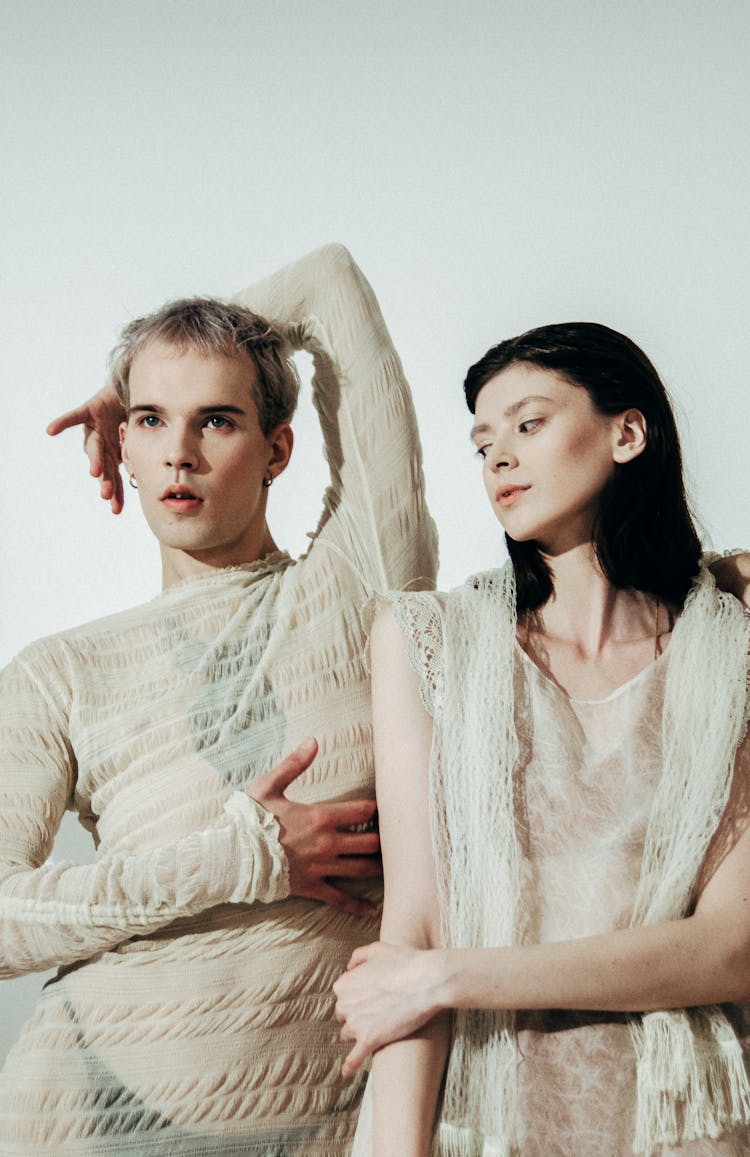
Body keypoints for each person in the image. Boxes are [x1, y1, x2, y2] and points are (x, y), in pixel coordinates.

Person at [0, 243, 438, 1155]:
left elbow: (330, 280)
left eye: (218, 421)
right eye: (151, 420)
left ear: (279, 447)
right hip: (80, 1104)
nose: (179, 454)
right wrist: (242, 858)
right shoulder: (58, 670)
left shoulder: (364, 581)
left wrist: (137, 375)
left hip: (321, 1115)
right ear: (123, 444)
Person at [333, 322, 750, 1156]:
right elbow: (413, 928)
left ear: (629, 432)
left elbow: (730, 949)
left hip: (683, 1123)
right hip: (486, 1116)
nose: (498, 459)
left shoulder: (727, 648)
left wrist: (450, 977)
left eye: (529, 424)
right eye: (484, 441)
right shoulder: (428, 638)